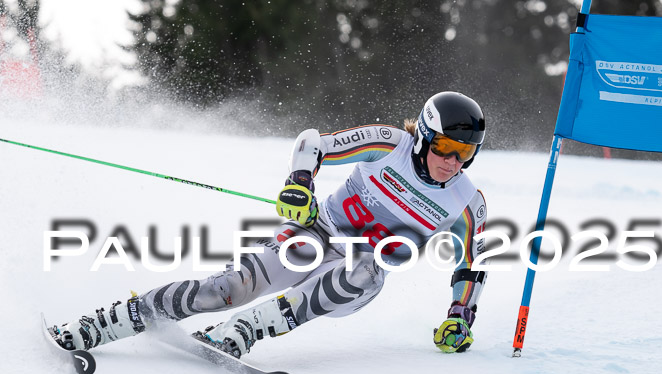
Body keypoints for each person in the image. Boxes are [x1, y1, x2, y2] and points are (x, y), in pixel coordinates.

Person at [51, 91, 488, 357]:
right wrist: (299, 185)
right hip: (315, 235)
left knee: (364, 266)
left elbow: (471, 263)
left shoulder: (466, 202)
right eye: (446, 146)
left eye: (465, 152)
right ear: (427, 135)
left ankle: (248, 330)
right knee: (227, 289)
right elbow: (314, 143)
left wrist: (459, 315)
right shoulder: (390, 143)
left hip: (357, 280)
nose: (453, 161)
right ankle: (104, 322)